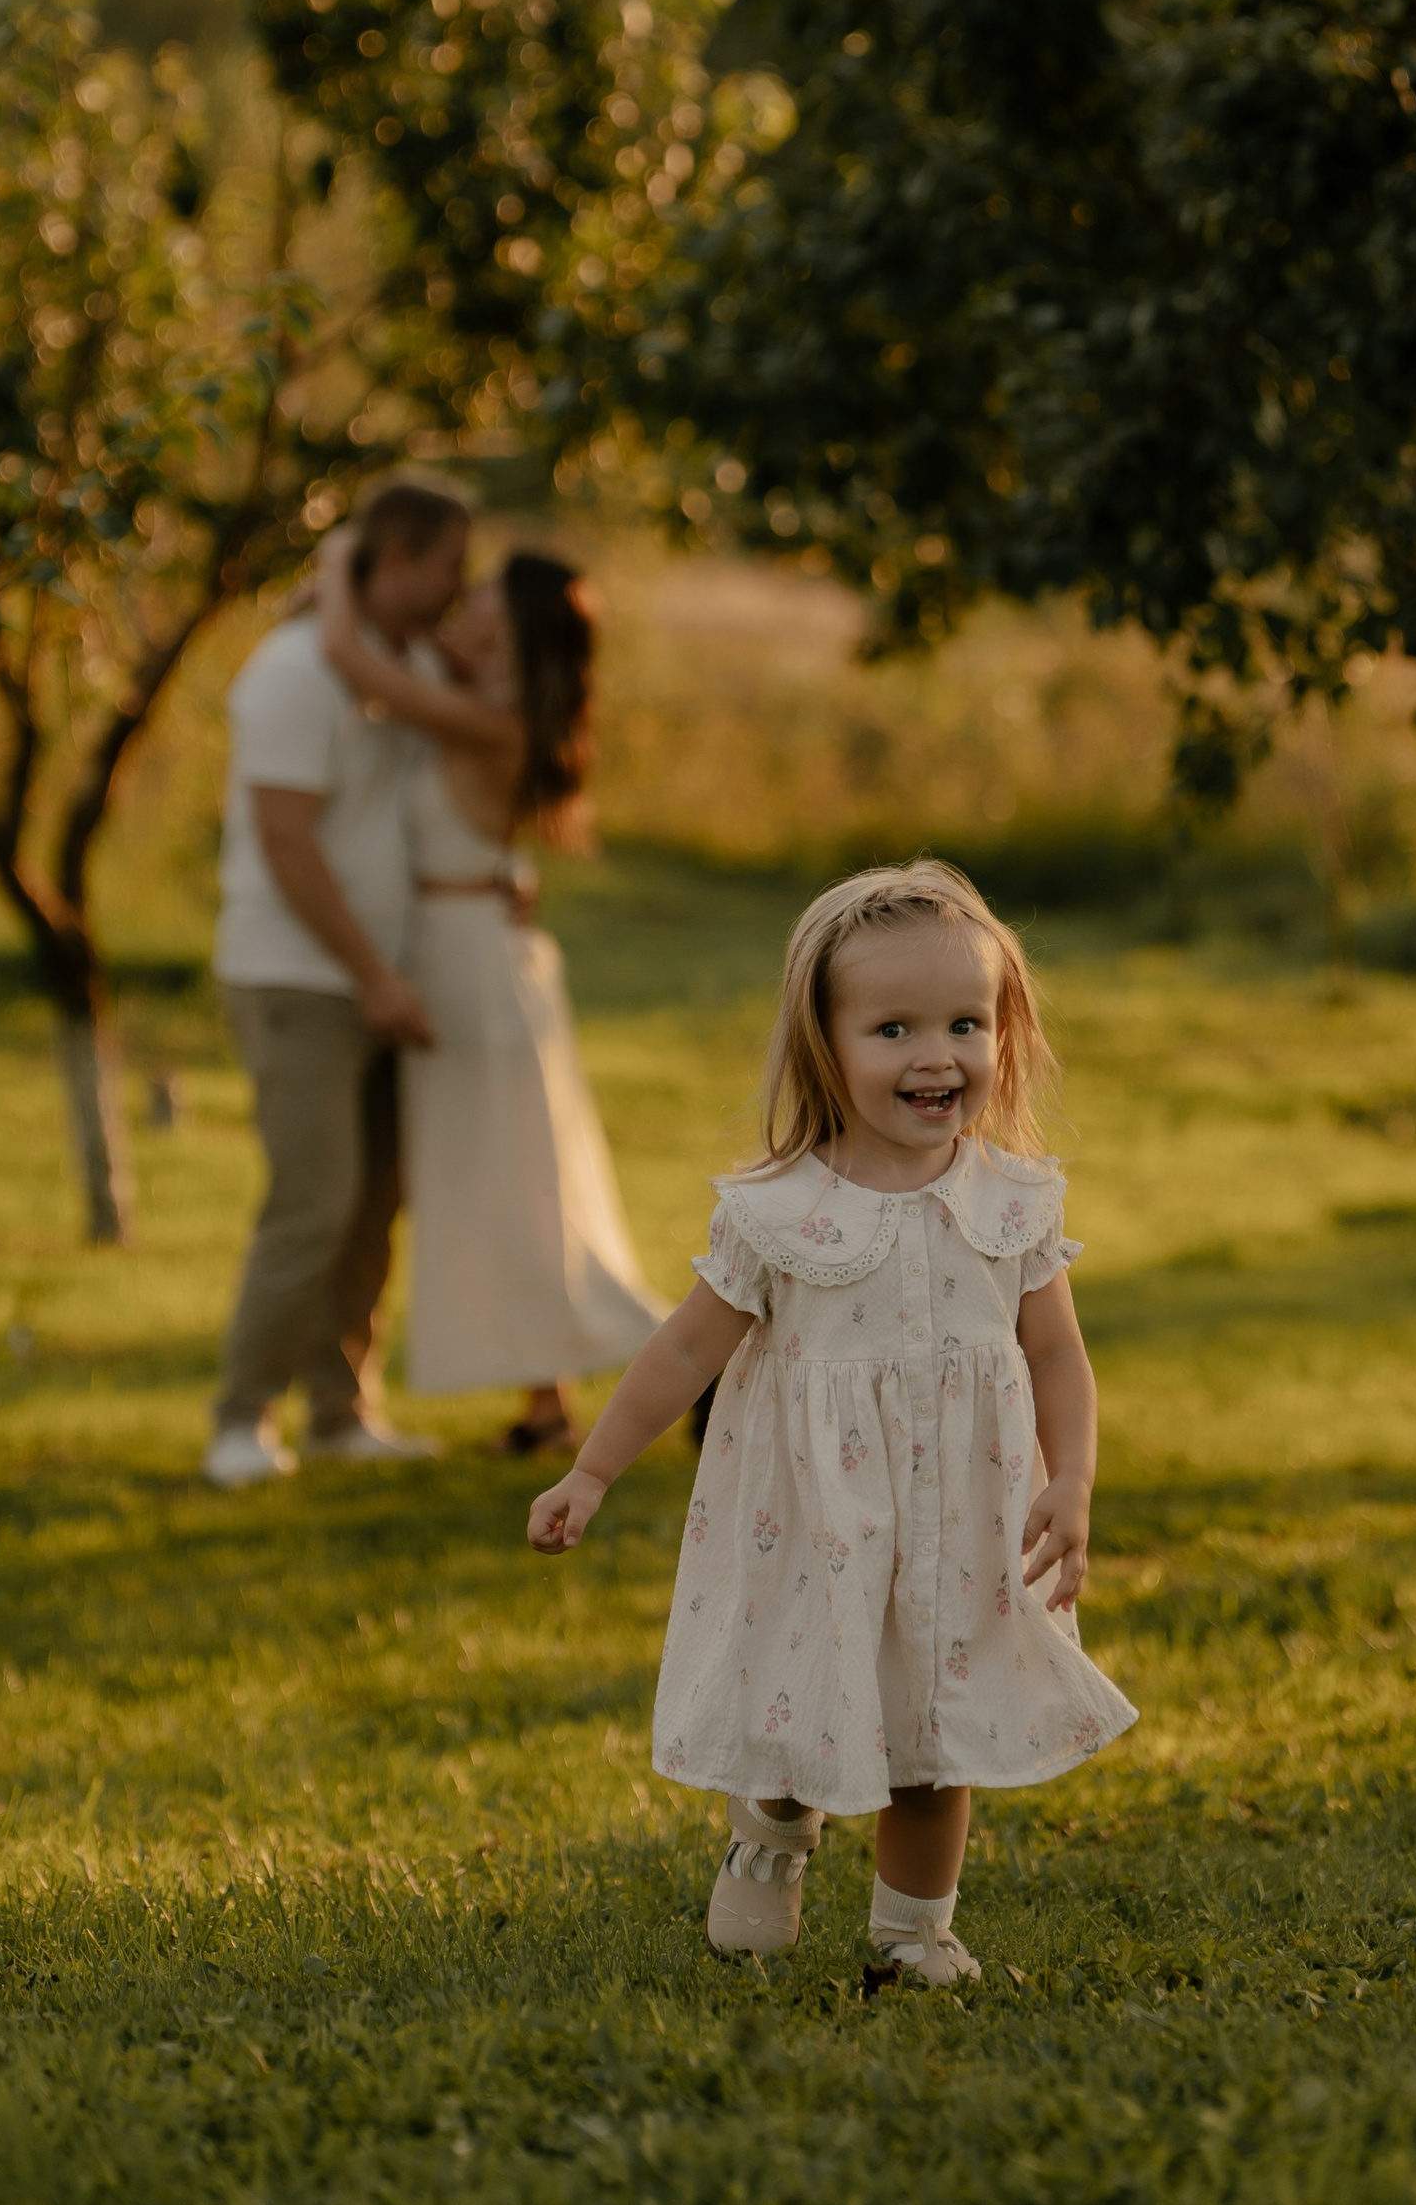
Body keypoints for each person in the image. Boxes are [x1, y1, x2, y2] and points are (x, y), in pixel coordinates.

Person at [525, 858, 1135, 1988]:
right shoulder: (782, 1214)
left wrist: (1072, 1476)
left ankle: (913, 1933)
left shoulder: (1011, 1202)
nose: (934, 1055)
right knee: (808, 1690)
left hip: (962, 1520)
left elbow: (1055, 1352)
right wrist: (593, 1474)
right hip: (818, 1519)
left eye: (964, 1022)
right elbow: (683, 1350)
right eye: (892, 1028)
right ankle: (772, 1822)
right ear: (828, 1045)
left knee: (936, 1727)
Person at [314, 533, 662, 1453]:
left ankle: (676, 1359)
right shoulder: (484, 704)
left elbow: (352, 659)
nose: (462, 606)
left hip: (468, 964)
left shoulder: (495, 720)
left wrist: (341, 561)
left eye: (481, 600)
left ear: (510, 627)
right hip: (468, 947)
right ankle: (548, 1406)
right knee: (503, 1189)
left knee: (500, 1191)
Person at [203, 477, 470, 1488]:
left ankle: (340, 1410)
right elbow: (283, 841)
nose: (460, 585)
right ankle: (239, 1420)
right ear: (395, 559)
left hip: (386, 979)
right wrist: (368, 974)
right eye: (449, 564)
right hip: (300, 976)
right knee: (312, 1201)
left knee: (372, 1207)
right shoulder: (290, 673)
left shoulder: (391, 661)